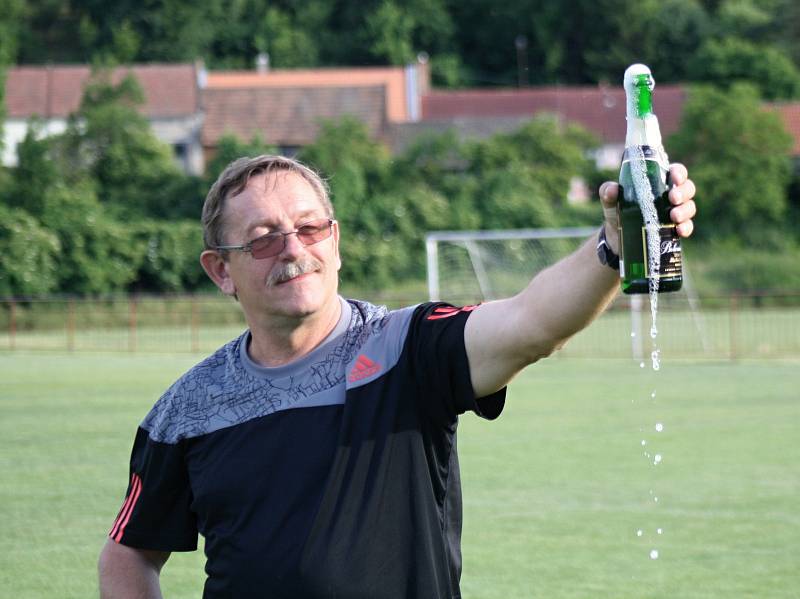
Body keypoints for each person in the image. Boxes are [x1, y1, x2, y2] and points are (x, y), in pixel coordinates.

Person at [98, 154, 696, 598]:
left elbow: (531, 322)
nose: (292, 248)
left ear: (334, 241)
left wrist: (613, 246)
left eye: (310, 227)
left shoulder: (406, 347)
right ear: (220, 271)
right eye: (261, 239)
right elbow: (129, 552)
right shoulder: (188, 409)